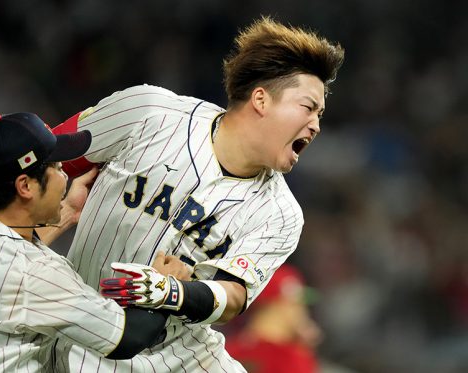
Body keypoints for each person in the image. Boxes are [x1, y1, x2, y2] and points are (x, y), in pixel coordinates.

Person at [52, 16, 345, 372]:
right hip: (78, 332)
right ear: (261, 99)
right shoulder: (150, 112)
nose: (316, 125)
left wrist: (172, 294)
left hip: (179, 355)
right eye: (308, 107)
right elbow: (38, 158)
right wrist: (48, 220)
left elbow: (234, 296)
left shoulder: (281, 213)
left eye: (321, 113)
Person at [0, 112, 189, 372]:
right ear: (25, 186)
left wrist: (69, 211)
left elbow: (11, 267)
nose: (65, 176)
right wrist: (164, 287)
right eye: (58, 168)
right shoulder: (37, 274)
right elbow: (128, 338)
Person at [225, 264, 323, 373]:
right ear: (273, 305)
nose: (302, 310)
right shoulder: (292, 356)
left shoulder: (227, 349)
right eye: (296, 304)